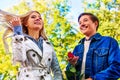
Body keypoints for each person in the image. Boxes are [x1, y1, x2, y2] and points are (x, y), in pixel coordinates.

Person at [3, 10, 63, 80]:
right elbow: (19, 58)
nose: (38, 19)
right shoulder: (20, 40)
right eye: (33, 17)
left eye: (40, 18)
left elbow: (56, 70)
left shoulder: (48, 45)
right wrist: (17, 30)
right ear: (26, 23)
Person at [66, 12, 120, 80]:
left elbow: (117, 67)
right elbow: (70, 77)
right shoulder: (77, 48)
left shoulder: (109, 42)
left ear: (95, 23)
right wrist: (72, 65)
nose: (81, 24)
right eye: (79, 23)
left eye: (85, 20)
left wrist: (93, 79)